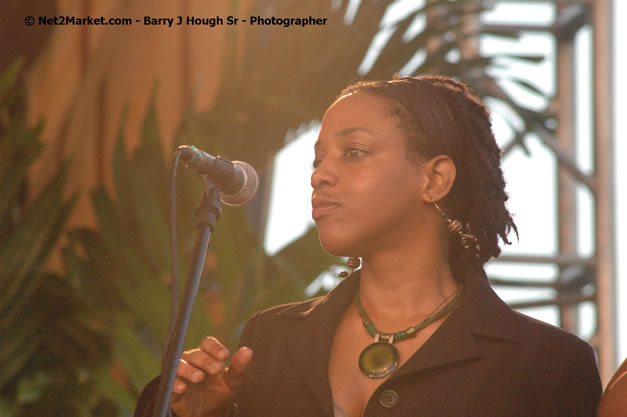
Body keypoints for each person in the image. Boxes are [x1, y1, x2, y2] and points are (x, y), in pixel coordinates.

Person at [135, 75, 602, 417]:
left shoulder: (546, 364)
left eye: (353, 152)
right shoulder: (270, 340)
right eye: (317, 159)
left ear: (434, 178)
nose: (319, 173)